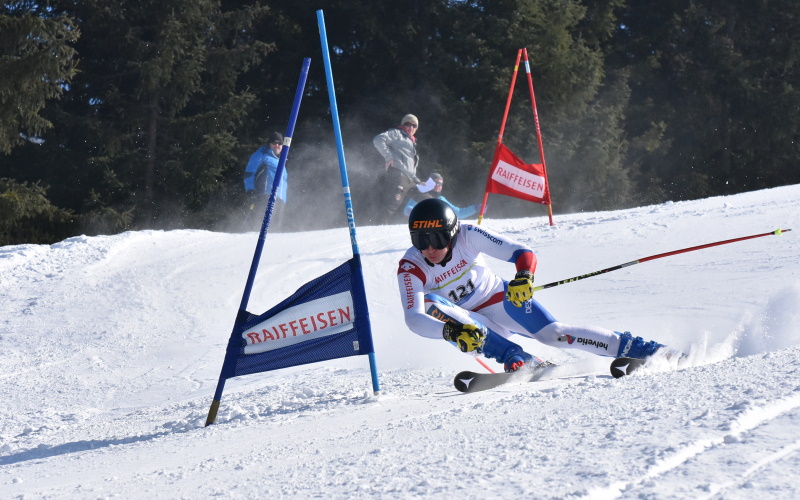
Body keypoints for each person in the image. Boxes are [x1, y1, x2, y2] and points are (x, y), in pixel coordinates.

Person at [396, 198, 678, 372]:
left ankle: (643, 349)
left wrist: (524, 277)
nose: (429, 248)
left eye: (437, 239)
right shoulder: (411, 266)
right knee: (434, 306)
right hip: (469, 321)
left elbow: (522, 252)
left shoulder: (469, 235)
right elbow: (413, 318)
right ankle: (516, 357)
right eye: (421, 240)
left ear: (453, 233)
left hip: (501, 300)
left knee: (554, 334)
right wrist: (450, 331)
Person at [373, 114, 423, 224]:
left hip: (409, 179)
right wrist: (388, 157)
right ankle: (379, 228)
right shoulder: (397, 133)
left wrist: (418, 182)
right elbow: (378, 139)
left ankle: (435, 224)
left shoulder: (412, 143)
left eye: (414, 126)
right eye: (408, 124)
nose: (411, 127)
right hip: (398, 175)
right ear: (403, 125)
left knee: (426, 199)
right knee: (392, 204)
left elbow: (409, 169)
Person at [243, 131, 287, 230]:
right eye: (274, 143)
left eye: (279, 143)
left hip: (280, 200)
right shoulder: (261, 156)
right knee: (260, 226)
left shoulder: (280, 161)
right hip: (265, 196)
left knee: (274, 229)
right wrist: (250, 190)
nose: (277, 146)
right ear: (269, 144)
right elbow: (249, 174)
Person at [403, 172, 482, 220]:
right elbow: (407, 209)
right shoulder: (420, 195)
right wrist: (412, 211)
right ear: (429, 183)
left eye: (440, 184)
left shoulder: (441, 200)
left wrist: (475, 208)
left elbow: (458, 213)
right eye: (436, 183)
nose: (438, 185)